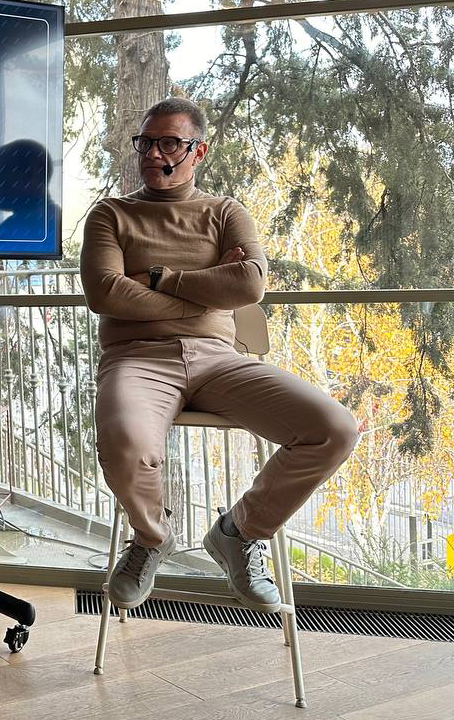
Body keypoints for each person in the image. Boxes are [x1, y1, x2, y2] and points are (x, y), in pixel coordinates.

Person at [79, 97, 360, 613]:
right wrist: (209, 289)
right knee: (125, 444)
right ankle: (151, 537)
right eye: (146, 142)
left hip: (219, 359)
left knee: (335, 429)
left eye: (169, 143)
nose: (153, 154)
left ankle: (239, 533)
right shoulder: (111, 214)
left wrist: (158, 278)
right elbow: (106, 294)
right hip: (136, 358)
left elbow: (249, 284)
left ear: (198, 151)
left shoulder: (226, 212)